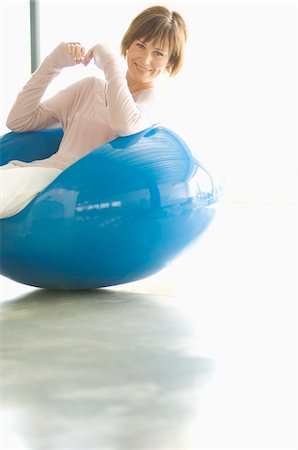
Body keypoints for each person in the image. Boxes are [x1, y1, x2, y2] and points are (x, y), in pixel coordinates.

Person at [0, 5, 187, 219]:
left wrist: (112, 67)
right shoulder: (89, 87)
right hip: (37, 173)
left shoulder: (154, 102)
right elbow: (19, 120)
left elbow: (123, 124)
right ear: (128, 43)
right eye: (141, 45)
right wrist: (53, 63)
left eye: (158, 53)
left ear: (170, 61)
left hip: (71, 186)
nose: (145, 60)